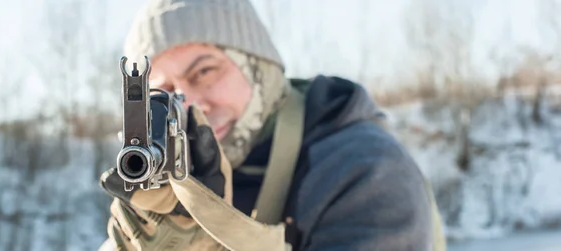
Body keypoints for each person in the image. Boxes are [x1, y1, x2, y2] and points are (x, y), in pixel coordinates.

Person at [98, 0, 446, 250]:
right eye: (166, 93)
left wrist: (216, 239)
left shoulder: (364, 170)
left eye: (204, 72)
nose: (189, 103)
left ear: (259, 68)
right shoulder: (169, 181)